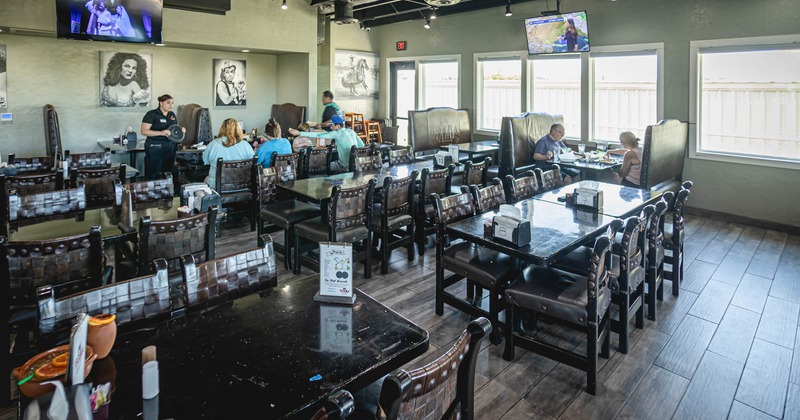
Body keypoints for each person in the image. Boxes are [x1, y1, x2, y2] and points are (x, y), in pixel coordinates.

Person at [289, 114, 363, 172]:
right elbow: (362, 145)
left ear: (337, 126)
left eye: (332, 125)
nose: (330, 128)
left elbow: (319, 135)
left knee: (322, 168)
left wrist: (300, 133)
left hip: (344, 167)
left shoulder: (337, 133)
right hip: (356, 166)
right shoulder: (351, 131)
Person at [140, 94, 185, 180]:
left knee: (168, 171)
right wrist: (161, 133)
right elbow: (144, 131)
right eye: (168, 103)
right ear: (161, 103)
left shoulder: (172, 115)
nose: (171, 105)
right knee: (153, 172)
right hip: (155, 146)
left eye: (172, 103)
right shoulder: (151, 114)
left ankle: (167, 192)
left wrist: (181, 130)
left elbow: (174, 130)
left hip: (169, 146)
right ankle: (151, 191)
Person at [203, 118, 256, 189]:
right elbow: (253, 162)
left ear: (222, 129)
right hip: (242, 185)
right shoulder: (246, 145)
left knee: (206, 179)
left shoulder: (213, 144)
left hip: (218, 186)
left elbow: (205, 161)